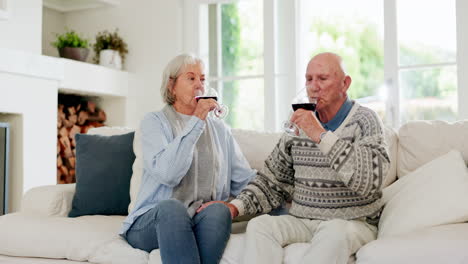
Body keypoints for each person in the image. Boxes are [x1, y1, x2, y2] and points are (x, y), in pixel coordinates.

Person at [228, 52, 391, 264]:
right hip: (303, 220)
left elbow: (370, 181)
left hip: (352, 222)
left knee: (335, 230)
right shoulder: (299, 121)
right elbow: (273, 180)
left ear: (345, 83)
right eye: (309, 79)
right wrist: (235, 207)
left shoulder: (365, 120)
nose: (313, 87)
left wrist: (321, 136)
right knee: (260, 226)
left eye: (322, 79)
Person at [120, 53, 256, 264]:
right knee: (172, 207)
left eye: (202, 79)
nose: (199, 85)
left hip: (197, 219)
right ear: (171, 86)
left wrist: (279, 192)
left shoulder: (220, 130)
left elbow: (245, 182)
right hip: (153, 221)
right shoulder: (154, 123)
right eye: (191, 78)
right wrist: (197, 121)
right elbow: (169, 174)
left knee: (219, 210)